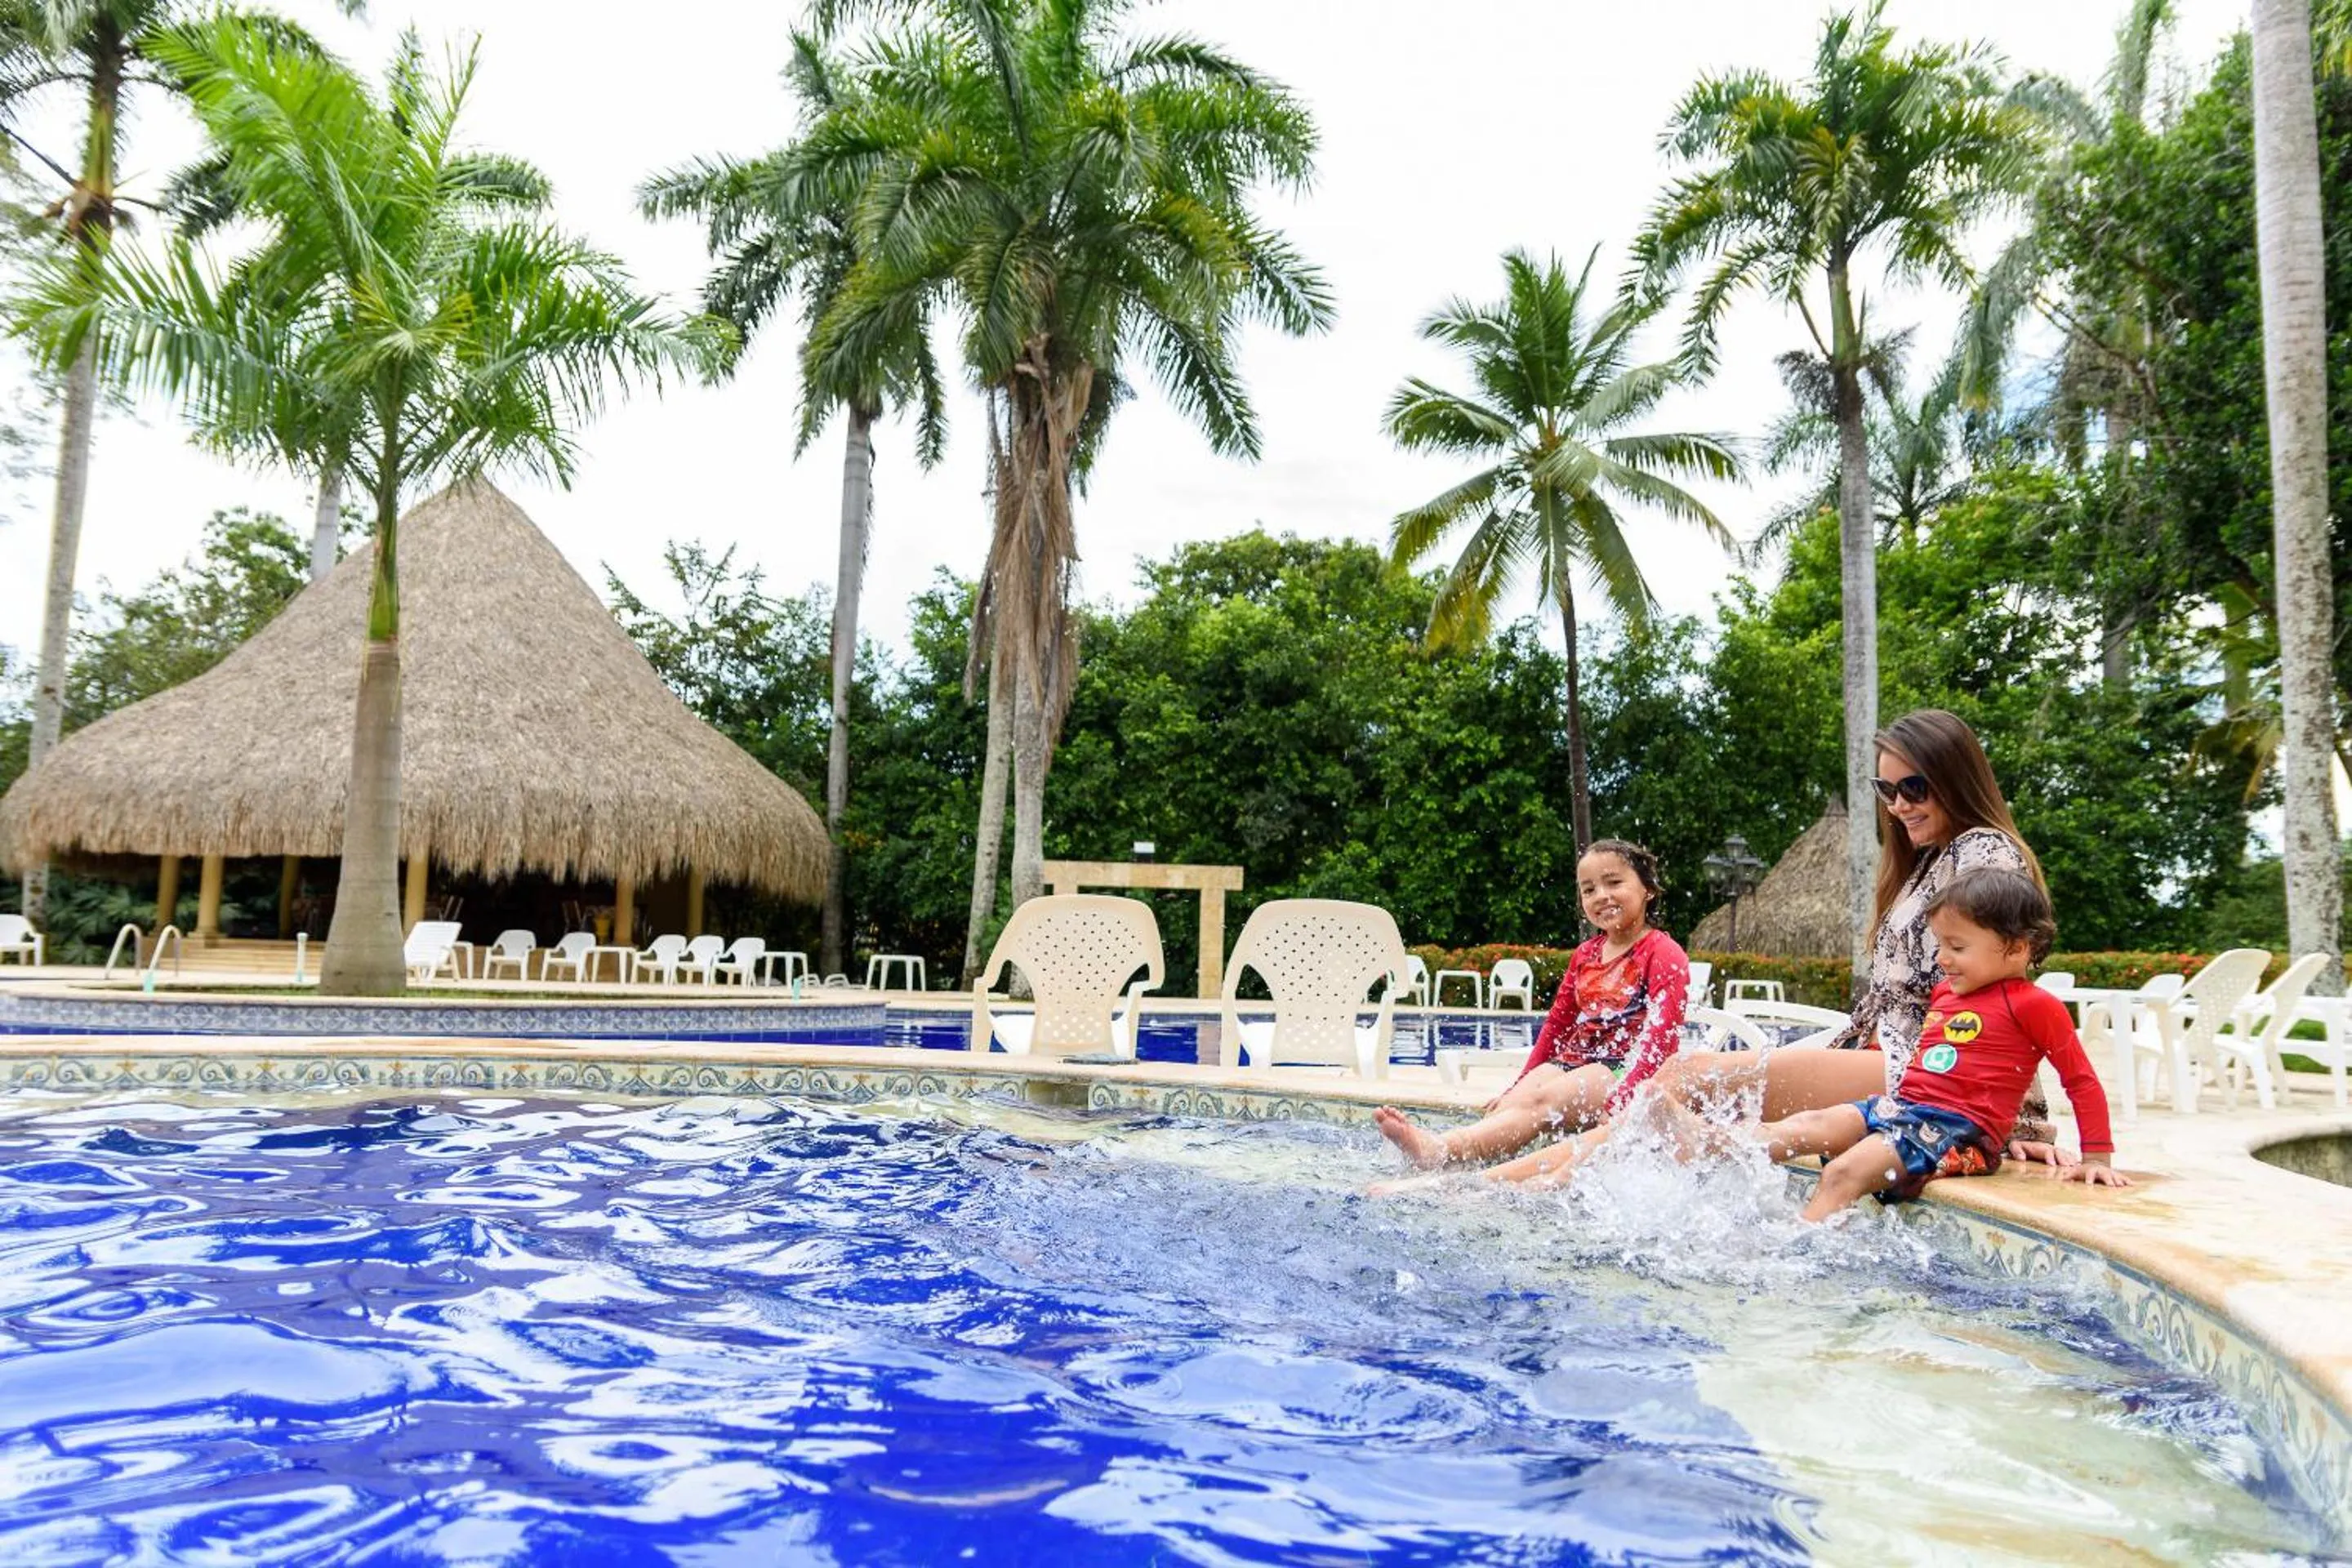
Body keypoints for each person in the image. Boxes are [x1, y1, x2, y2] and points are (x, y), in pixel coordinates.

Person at [1474, 708, 2066, 1190]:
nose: (1898, 805)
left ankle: (1520, 1186)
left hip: (1920, 1068)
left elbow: (2003, 983)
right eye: (1887, 789)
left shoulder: (1983, 852)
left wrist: (2020, 1116)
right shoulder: (1931, 859)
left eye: (1914, 787)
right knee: (1680, 1097)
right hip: (1884, 1049)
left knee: (1685, 1082)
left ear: (1956, 777)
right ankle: (1528, 1183)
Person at [1659, 867, 2129, 1219]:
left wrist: (2097, 1158)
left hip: (1958, 1133)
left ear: (2017, 947)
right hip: (1905, 1108)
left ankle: (1798, 1259)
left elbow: (2081, 1081)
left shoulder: (2033, 1005)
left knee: (1842, 1173)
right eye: (1940, 945)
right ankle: (1708, 1143)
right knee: (1809, 1123)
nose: (1942, 958)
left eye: (1957, 947)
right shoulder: (1946, 994)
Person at [1372, 839, 1689, 1174]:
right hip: (1576, 1060)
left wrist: (1625, 1097)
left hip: (1623, 1068)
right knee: (1513, 1102)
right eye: (1589, 890)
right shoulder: (1586, 955)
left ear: (1647, 889)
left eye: (1614, 883)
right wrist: (1519, 1082)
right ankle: (1456, 1166)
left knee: (1543, 1102)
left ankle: (1439, 1150)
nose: (1601, 896)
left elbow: (1663, 1038)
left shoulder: (1662, 952)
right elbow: (1557, 1025)